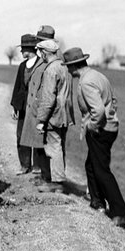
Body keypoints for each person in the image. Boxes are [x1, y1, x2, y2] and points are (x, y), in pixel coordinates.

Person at [62, 47, 125, 228]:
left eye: (68, 66)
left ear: (74, 66)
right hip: (111, 127)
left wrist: (92, 125)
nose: (68, 70)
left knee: (101, 170)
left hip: (101, 130)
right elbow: (112, 101)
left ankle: (119, 212)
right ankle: (97, 202)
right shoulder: (98, 76)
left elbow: (98, 110)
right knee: (91, 165)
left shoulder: (86, 82)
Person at [31, 39, 74, 193]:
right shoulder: (64, 67)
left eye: (40, 52)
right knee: (60, 146)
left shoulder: (50, 70)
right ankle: (59, 178)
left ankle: (57, 182)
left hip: (54, 115)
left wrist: (41, 120)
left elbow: (48, 98)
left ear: (44, 53)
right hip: (65, 115)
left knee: (54, 148)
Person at [19, 25, 57, 182]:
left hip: (46, 109)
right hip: (36, 107)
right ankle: (44, 175)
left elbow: (48, 92)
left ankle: (50, 178)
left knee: (45, 145)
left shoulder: (50, 62)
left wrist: (41, 115)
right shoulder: (41, 61)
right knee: (37, 141)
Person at [10, 33, 42, 175]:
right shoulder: (22, 66)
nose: (21, 52)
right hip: (22, 106)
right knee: (20, 135)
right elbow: (17, 87)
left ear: (29, 49)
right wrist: (15, 107)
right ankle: (24, 165)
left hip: (35, 107)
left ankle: (37, 167)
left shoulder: (41, 64)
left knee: (35, 136)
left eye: (23, 49)